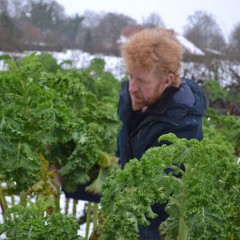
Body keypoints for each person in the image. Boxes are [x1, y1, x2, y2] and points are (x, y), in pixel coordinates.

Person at [116, 27, 207, 239]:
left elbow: (157, 193)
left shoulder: (184, 122)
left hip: (157, 226)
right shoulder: (132, 98)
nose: (132, 88)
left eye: (142, 81)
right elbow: (122, 155)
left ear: (167, 80)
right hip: (129, 213)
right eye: (130, 76)